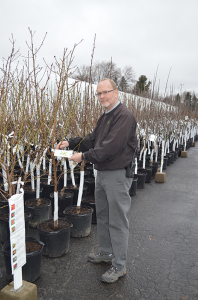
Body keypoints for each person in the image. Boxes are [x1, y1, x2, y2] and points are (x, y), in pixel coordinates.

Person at [56, 78, 137, 283]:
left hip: (117, 175)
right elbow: (93, 139)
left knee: (117, 220)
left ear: (116, 92)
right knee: (102, 214)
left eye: (106, 92)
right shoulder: (106, 117)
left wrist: (83, 157)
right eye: (99, 93)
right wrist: (71, 142)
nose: (102, 96)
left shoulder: (124, 117)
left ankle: (119, 265)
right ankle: (106, 252)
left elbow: (109, 147)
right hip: (102, 173)